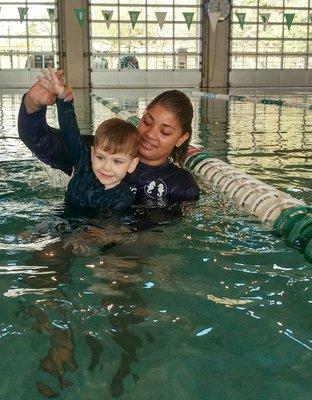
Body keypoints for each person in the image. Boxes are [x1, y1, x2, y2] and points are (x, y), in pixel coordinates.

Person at [18, 72, 200, 208]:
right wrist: (32, 105)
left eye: (165, 132)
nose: (150, 134)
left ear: (181, 139)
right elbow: (41, 142)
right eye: (147, 121)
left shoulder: (181, 185)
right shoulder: (99, 151)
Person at [37, 69, 140, 212]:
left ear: (132, 164)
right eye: (100, 157)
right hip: (59, 218)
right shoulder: (83, 165)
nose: (106, 167)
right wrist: (63, 100)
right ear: (92, 153)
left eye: (117, 161)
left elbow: (107, 231)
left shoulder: (122, 198)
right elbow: (70, 134)